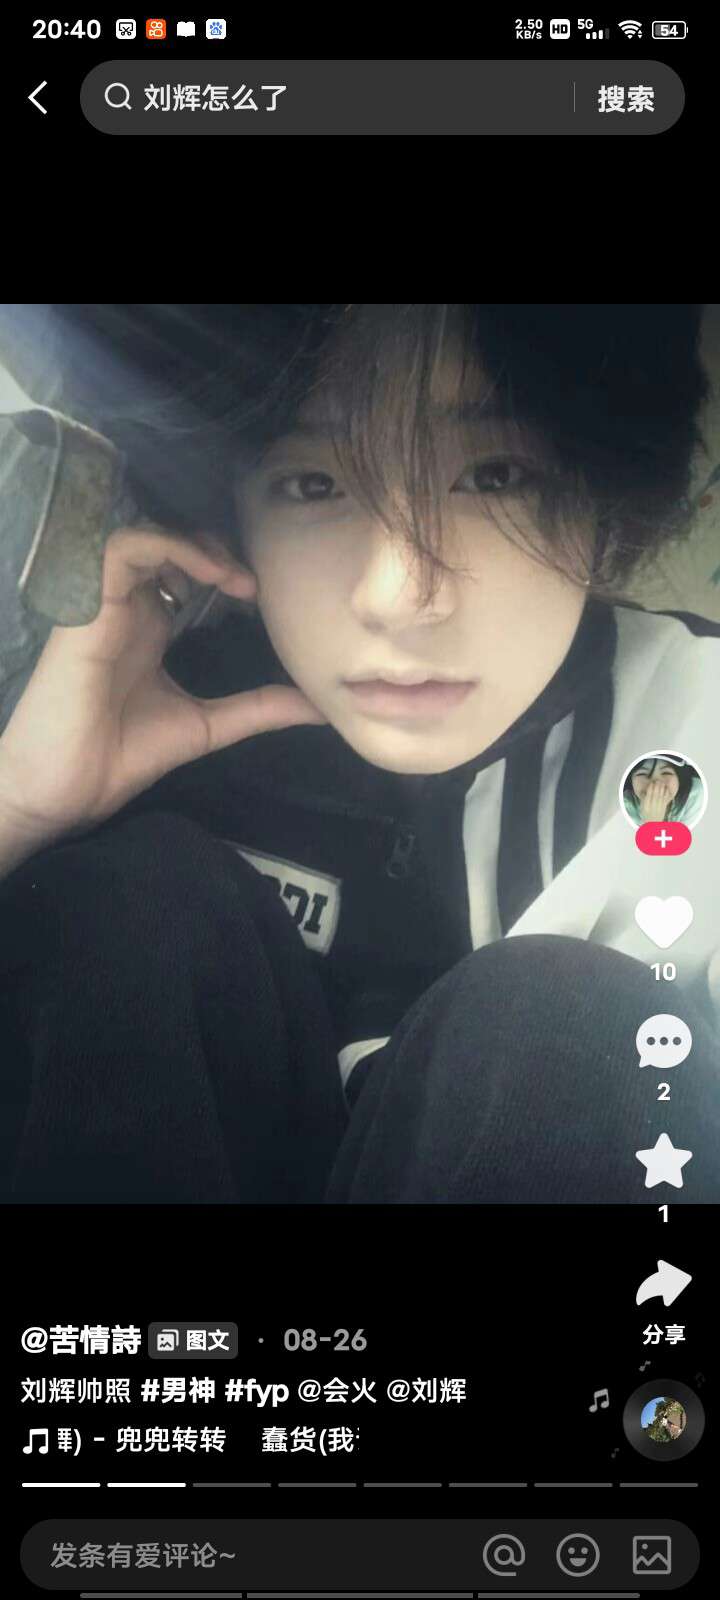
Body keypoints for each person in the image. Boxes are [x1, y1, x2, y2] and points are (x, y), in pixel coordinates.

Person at [1, 302, 719, 1204]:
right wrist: (20, 813)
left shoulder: (694, 725)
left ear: (604, 485)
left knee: (571, 1024)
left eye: (495, 475)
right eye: (312, 484)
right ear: (228, 510)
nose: (398, 594)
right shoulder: (141, 698)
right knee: (119, 904)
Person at [622, 753, 704, 826]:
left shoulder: (696, 794)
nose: (656, 784)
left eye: (666, 773)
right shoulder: (624, 806)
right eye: (642, 773)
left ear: (680, 778)